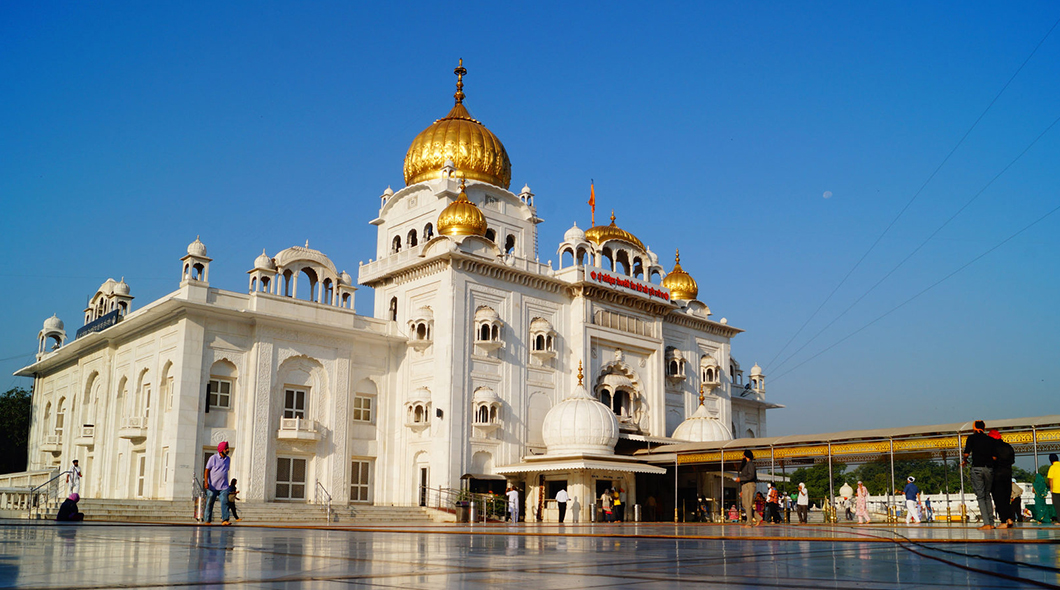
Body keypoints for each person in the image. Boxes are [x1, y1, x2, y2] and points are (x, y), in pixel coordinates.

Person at [961, 420, 996, 530]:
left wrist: (965, 460)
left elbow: (966, 453)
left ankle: (986, 523)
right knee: (987, 495)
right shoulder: (990, 440)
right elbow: (994, 457)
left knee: (980, 496)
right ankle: (991, 522)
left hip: (977, 468)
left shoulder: (972, 438)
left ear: (975, 428)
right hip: (989, 469)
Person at [988, 429, 1016, 528]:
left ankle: (1003, 520)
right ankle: (1009, 518)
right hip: (1008, 474)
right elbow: (1012, 461)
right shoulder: (1008, 447)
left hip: (997, 475)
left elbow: (991, 461)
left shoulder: (992, 447)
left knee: (998, 498)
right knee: (1006, 497)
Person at [204, 441, 232, 525]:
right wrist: (206, 482)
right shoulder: (213, 458)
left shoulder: (228, 459)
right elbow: (207, 470)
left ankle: (225, 520)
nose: (227, 450)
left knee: (225, 501)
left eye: (228, 448)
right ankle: (207, 520)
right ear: (221, 450)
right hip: (213, 486)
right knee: (210, 502)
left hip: (224, 486)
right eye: (226, 448)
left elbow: (225, 471)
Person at [734, 450, 760, 527]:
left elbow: (751, 476)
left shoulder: (750, 465)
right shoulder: (746, 465)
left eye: (743, 455)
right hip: (745, 485)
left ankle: (749, 522)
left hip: (749, 484)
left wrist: (741, 479)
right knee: (745, 504)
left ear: (746, 456)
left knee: (748, 504)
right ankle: (758, 517)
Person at [1048, 454, 1060, 524]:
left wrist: (1051, 488)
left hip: (1056, 490)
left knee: (1058, 506)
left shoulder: (1052, 467)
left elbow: (1050, 479)